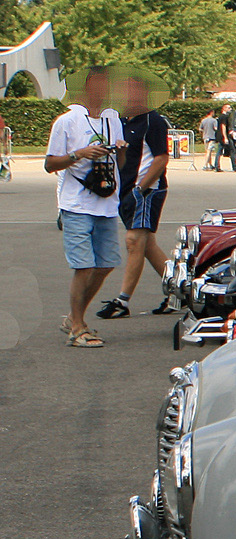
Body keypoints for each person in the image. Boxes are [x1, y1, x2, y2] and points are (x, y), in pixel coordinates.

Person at [44, 67, 124, 347]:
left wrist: (121, 150)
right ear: (86, 87)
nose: (103, 90)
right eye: (98, 84)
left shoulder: (113, 120)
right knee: (85, 266)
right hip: (76, 203)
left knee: (106, 263)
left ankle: (73, 317)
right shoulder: (67, 121)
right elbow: (50, 164)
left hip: (106, 202)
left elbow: (119, 166)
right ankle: (77, 327)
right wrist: (80, 153)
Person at [99, 73, 174, 319]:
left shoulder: (153, 121)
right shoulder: (120, 121)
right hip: (125, 191)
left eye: (132, 90)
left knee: (134, 242)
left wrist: (141, 189)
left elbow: (162, 158)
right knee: (147, 245)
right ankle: (180, 292)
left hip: (146, 191)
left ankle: (122, 301)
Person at [218, 103, 236, 171]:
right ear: (224, 108)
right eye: (228, 108)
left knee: (219, 152)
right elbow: (223, 126)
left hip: (222, 136)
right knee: (232, 151)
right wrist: (225, 137)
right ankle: (235, 167)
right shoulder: (224, 117)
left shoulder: (220, 117)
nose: (230, 109)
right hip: (225, 136)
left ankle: (217, 166)